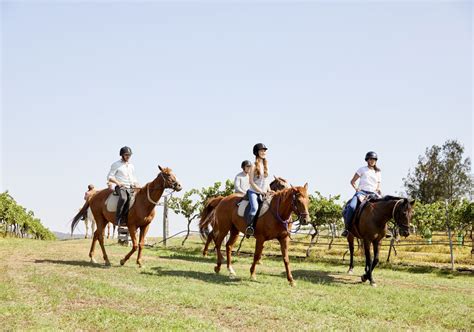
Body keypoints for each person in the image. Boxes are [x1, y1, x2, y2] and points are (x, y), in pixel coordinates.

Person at [342, 151, 383, 237]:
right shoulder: (362, 169)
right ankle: (347, 228)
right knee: (351, 207)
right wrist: (357, 189)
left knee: (385, 207)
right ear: (367, 160)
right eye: (370, 159)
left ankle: (385, 229)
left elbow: (378, 184)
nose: (372, 161)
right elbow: (352, 181)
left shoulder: (378, 172)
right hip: (362, 193)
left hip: (374, 194)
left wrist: (378, 189)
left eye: (374, 159)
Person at [107, 146, 139, 226]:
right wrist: (118, 183)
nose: (128, 156)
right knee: (124, 198)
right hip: (120, 187)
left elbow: (133, 177)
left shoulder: (131, 166)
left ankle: (129, 218)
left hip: (130, 187)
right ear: (122, 155)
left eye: (129, 155)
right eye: (126, 155)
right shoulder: (116, 164)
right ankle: (118, 219)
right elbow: (109, 177)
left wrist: (137, 184)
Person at [246, 143, 272, 237]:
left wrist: (269, 190)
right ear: (257, 152)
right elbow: (251, 181)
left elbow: (266, 180)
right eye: (261, 151)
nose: (264, 152)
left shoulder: (266, 165)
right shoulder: (253, 165)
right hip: (254, 192)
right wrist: (260, 191)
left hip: (264, 192)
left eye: (264, 151)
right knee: (254, 208)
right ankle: (249, 228)